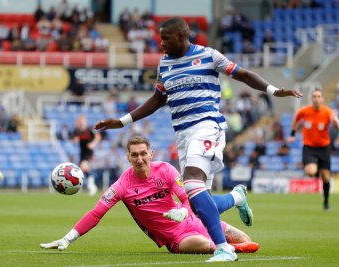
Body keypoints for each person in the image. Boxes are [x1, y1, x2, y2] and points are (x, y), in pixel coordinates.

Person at [94, 17, 302, 262]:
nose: (160, 44)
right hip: (182, 134)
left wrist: (273, 90)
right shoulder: (164, 65)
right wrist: (122, 121)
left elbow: (243, 74)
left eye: (165, 38)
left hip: (206, 126)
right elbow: (157, 100)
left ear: (182, 36)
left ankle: (223, 249)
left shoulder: (209, 55)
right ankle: (236, 197)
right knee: (196, 204)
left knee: (192, 182)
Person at [40, 137, 259, 254]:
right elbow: (96, 214)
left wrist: (183, 211)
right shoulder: (121, 186)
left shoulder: (166, 169)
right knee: (202, 244)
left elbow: (186, 198)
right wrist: (69, 237)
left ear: (150, 153)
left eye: (143, 153)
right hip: (176, 239)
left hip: (195, 221)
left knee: (246, 240)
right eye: (134, 155)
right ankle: (224, 245)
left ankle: (234, 211)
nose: (139, 158)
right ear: (128, 157)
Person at [288, 88, 339, 210]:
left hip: (324, 147)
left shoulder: (327, 111)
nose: (316, 99)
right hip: (309, 147)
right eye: (314, 96)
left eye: (318, 96)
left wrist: (336, 124)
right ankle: (317, 169)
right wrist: (292, 134)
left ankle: (326, 202)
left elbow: (336, 122)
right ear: (312, 99)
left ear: (322, 99)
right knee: (310, 172)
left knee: (326, 177)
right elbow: (296, 120)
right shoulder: (304, 111)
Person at [72, 114, 101, 195]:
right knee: (82, 170)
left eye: (83, 121)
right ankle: (91, 186)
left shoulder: (90, 129)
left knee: (83, 166)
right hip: (82, 153)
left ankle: (90, 186)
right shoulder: (77, 131)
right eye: (80, 121)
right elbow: (74, 139)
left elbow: (98, 136)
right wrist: (75, 140)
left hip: (89, 152)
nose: (82, 123)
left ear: (85, 121)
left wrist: (93, 144)